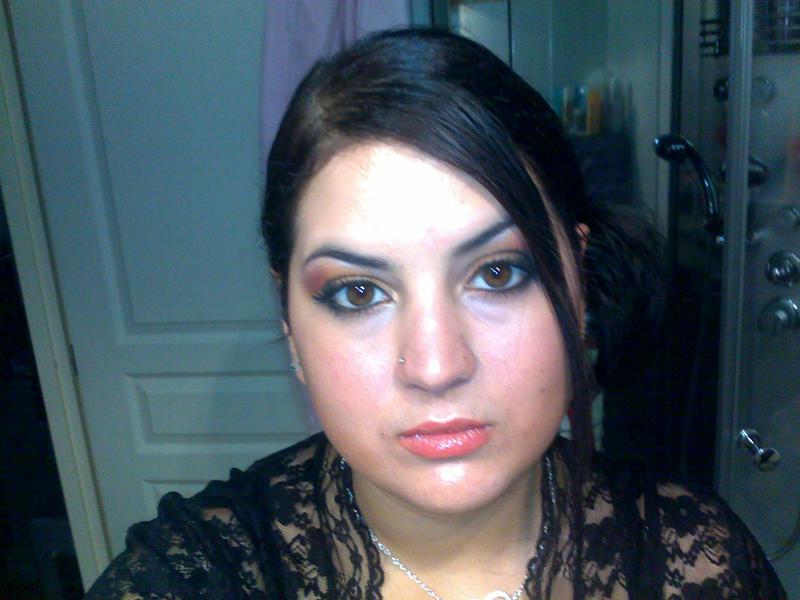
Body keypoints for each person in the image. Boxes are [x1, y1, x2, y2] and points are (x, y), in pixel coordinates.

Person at [85, 29, 786, 599]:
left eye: (497, 273)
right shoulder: (189, 576)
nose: (436, 366)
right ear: (290, 324)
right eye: (358, 292)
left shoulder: (702, 559)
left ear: (577, 284)